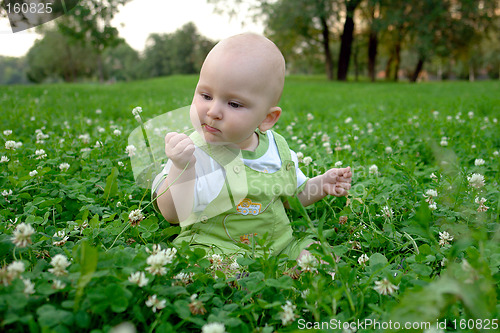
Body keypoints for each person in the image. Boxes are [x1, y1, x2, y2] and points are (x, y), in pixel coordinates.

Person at [152, 33, 352, 260]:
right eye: (206, 95)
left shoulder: (278, 150)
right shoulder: (191, 152)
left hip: (277, 245)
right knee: (217, 273)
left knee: (319, 258)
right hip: (214, 248)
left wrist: (321, 184)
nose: (213, 112)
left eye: (234, 104)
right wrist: (181, 167)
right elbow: (172, 214)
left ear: (267, 118)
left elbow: (290, 198)